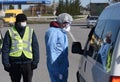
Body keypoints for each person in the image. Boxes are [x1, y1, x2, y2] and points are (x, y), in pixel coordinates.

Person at [2, 13, 39, 82]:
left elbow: (35, 47)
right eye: (22, 21)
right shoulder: (10, 32)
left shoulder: (30, 31)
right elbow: (5, 49)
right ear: (17, 22)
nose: (24, 23)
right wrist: (6, 63)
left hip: (28, 63)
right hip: (14, 63)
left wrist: (36, 61)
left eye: (25, 21)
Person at [45, 13, 73, 82]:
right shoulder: (53, 32)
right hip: (56, 65)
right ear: (62, 23)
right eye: (67, 23)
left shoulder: (61, 32)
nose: (68, 25)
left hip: (62, 65)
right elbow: (51, 50)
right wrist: (55, 69)